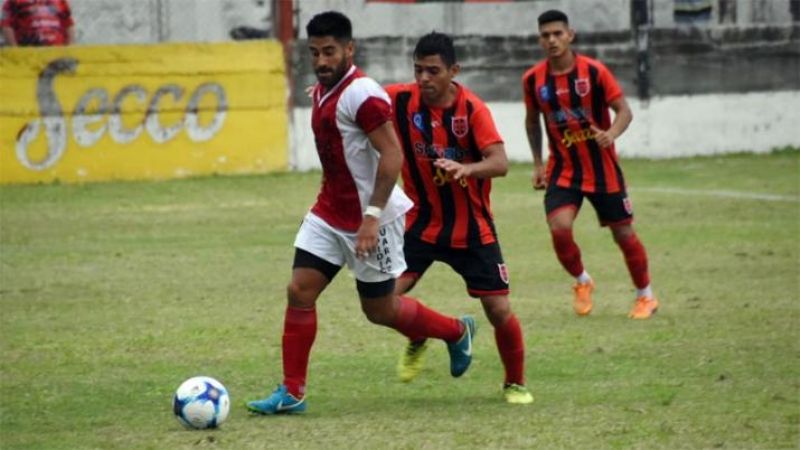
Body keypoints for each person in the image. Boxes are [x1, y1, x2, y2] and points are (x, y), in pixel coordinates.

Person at [246, 11, 475, 415]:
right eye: (314, 52)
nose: (321, 61)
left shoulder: (363, 95)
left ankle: (456, 331)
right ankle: (293, 392)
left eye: (329, 51)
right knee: (299, 291)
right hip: (329, 212)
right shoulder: (324, 89)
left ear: (349, 49)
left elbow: (392, 155)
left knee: (380, 310)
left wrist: (371, 217)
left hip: (372, 219)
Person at [385, 32, 533, 405]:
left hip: (472, 230)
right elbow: (361, 99)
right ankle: (419, 334)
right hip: (419, 225)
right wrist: (331, 91)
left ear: (454, 71)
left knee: (498, 309)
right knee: (384, 298)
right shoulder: (399, 99)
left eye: (433, 71)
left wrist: (468, 168)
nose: (423, 78)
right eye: (418, 70)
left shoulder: (472, 110)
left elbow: (500, 163)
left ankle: (515, 383)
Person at [522, 10, 659, 319]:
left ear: (570, 35)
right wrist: (538, 163)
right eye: (546, 35)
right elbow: (532, 121)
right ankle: (582, 281)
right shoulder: (533, 80)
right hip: (563, 169)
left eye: (558, 33)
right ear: (540, 40)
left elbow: (624, 111)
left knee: (623, 234)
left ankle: (646, 296)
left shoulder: (594, 72)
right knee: (559, 228)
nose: (552, 40)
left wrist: (611, 133)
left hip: (602, 170)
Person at [1, 0, 74, 47]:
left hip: (57, 49)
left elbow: (68, 24)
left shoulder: (61, 1)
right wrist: (15, 49)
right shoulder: (13, 1)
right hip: (27, 50)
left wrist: (69, 47)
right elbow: (6, 25)